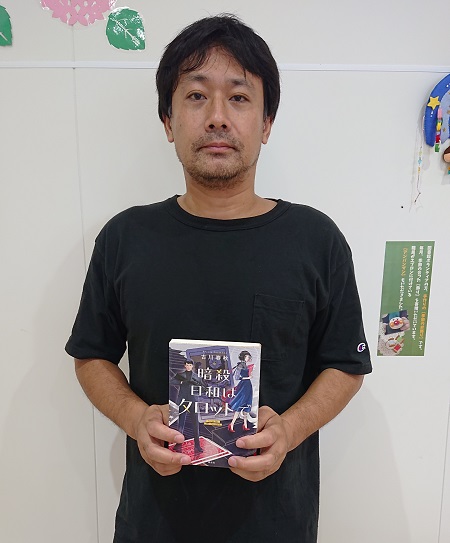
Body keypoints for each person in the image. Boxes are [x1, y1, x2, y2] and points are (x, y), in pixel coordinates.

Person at [66, 14, 372, 543]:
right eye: (195, 96)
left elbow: (346, 364)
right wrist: (137, 419)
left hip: (277, 526)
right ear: (168, 121)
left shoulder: (315, 239)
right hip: (152, 525)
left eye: (239, 97)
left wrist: (289, 429)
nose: (216, 118)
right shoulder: (124, 238)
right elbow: (91, 356)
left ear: (266, 123)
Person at [169, 359, 204, 453]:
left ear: (192, 366)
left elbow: (204, 388)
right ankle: (178, 444)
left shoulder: (196, 377)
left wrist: (197, 386)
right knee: (181, 423)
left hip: (193, 401)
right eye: (187, 365)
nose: (188, 366)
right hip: (183, 401)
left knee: (195, 424)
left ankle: (197, 446)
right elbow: (171, 381)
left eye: (190, 365)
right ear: (185, 365)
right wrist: (181, 382)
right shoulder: (181, 375)